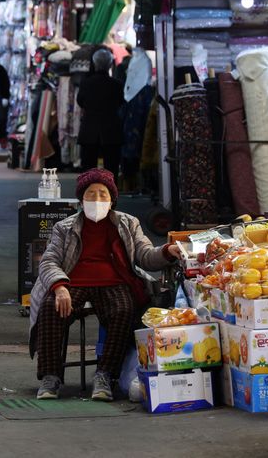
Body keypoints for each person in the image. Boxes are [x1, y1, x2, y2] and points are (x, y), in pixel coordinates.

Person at [28, 168, 182, 401]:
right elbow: (49, 261)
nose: (97, 200)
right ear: (81, 200)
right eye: (91, 194)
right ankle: (51, 376)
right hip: (73, 282)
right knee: (51, 307)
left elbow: (146, 256)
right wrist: (59, 287)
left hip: (114, 283)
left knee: (124, 310)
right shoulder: (64, 227)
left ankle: (105, 375)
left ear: (112, 200)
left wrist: (167, 252)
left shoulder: (128, 223)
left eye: (103, 194)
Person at [77, 48, 125, 178]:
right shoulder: (117, 85)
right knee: (112, 168)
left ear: (94, 63)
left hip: (89, 129)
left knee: (88, 168)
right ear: (110, 64)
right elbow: (121, 102)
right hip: (111, 130)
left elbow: (80, 101)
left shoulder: (86, 83)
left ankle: (87, 195)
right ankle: (111, 195)